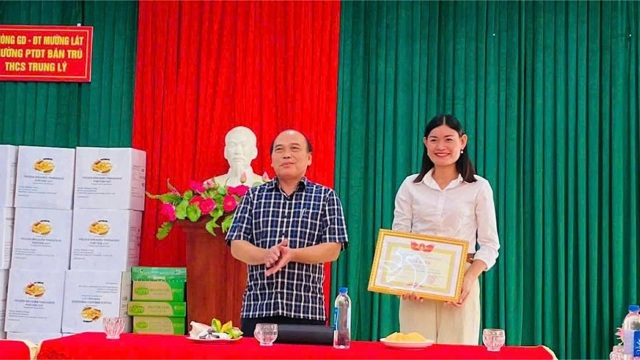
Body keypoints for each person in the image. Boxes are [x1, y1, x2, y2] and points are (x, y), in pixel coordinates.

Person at [225, 129, 349, 336]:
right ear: (272, 159)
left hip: (307, 310)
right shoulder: (253, 196)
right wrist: (265, 255)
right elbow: (237, 245)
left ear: (309, 158)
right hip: (258, 308)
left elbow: (332, 249)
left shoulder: (326, 197)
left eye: (294, 149)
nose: (287, 155)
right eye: (279, 150)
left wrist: (293, 254)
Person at [392, 114, 500, 345]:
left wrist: (469, 279)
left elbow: (490, 244)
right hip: (416, 283)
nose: (441, 147)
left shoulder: (479, 187)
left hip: (461, 283)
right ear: (425, 143)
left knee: (458, 350)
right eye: (434, 140)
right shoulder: (410, 186)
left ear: (463, 142)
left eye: (449, 139)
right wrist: (405, 279)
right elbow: (399, 237)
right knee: (415, 348)